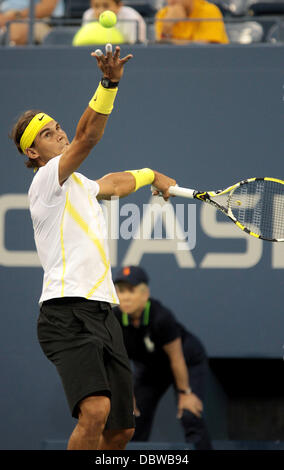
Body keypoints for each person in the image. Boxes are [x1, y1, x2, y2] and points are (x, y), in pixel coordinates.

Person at [10, 45, 177, 450]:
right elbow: (88, 135)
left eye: (56, 126)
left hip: (104, 314)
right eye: (47, 134)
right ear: (34, 153)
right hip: (65, 314)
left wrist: (150, 175)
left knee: (121, 430)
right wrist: (109, 84)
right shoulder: (47, 180)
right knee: (95, 412)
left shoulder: (81, 185)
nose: (60, 133)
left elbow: (114, 183)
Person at [113, 265, 213, 450]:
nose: (125, 296)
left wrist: (185, 393)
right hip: (150, 370)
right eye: (120, 291)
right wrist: (127, 393)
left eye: (131, 291)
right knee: (131, 416)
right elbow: (119, 362)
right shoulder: (115, 319)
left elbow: (177, 358)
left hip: (186, 362)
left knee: (190, 413)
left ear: (145, 294)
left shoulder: (160, 317)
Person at [155, 0, 229, 44]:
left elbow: (205, 50)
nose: (171, 1)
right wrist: (167, 26)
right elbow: (163, 53)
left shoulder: (209, 11)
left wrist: (171, 43)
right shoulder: (164, 15)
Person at [0, 0, 64, 45]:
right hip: (6, 19)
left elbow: (47, 8)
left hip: (39, 20)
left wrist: (16, 16)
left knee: (16, 32)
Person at [82, 0, 147, 44]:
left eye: (106, 6)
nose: (100, 11)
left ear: (119, 5)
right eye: (96, 6)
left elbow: (134, 45)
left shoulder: (131, 17)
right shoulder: (88, 15)